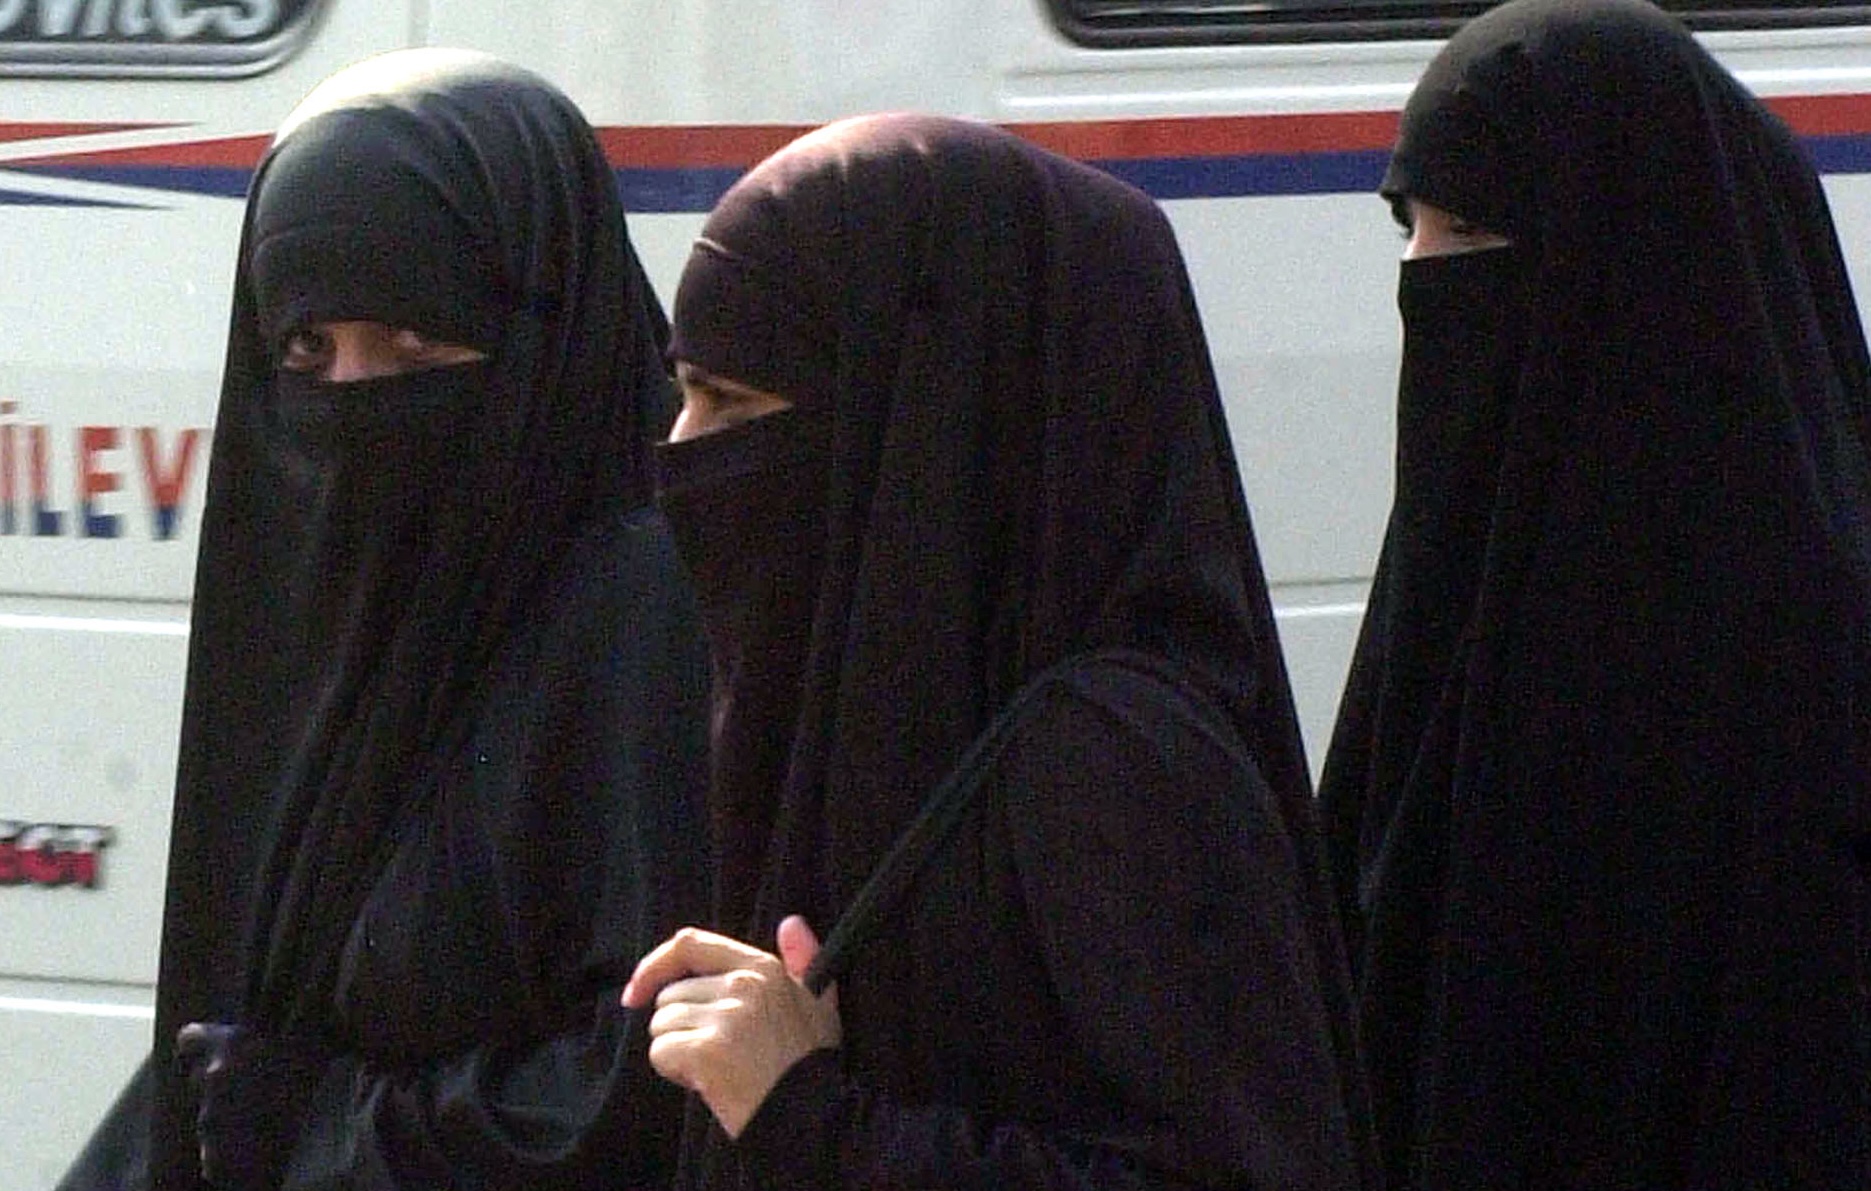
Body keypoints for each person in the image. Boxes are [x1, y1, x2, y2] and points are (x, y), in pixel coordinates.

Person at [621, 113, 1379, 1191]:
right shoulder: (887, 700)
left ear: (922, 419)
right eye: (685, 395)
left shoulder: (1109, 755)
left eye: (733, 404)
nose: (683, 454)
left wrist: (806, 1116)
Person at [69, 49, 711, 1191]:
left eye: (416, 346)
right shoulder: (348, 610)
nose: (355, 400)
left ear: (543, 337)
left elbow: (648, 1080)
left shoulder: (645, 613)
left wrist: (325, 1132)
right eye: (306, 352)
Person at [1316, 1, 1871, 1187]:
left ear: (1637, 263)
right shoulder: (1460, 573)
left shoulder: (1791, 673)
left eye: (1468, 230)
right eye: (1409, 229)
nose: (1419, 277)